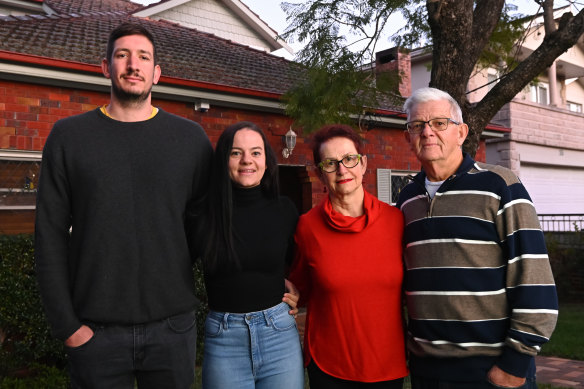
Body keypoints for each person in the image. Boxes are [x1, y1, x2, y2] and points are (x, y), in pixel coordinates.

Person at [34, 22, 213, 388]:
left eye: (143, 57)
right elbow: (49, 234)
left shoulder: (190, 139)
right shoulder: (69, 137)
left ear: (156, 73)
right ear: (105, 67)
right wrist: (68, 326)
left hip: (173, 330)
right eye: (123, 55)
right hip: (95, 335)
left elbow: (209, 227)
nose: (133, 64)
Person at [397, 87, 559, 388]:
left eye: (439, 123)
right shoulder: (406, 200)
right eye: (417, 125)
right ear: (408, 136)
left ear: (461, 132)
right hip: (427, 369)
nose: (427, 132)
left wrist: (516, 361)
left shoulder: (500, 185)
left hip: (491, 368)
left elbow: (534, 278)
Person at [288, 124, 408, 388]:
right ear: (321, 173)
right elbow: (299, 290)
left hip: (387, 365)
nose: (342, 170)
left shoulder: (396, 221)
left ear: (363, 164)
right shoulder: (307, 227)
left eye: (349, 159)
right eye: (330, 163)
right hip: (329, 366)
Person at [198, 121, 304, 389]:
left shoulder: (285, 210)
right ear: (224, 160)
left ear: (267, 161)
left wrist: (300, 289)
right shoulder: (203, 214)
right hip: (224, 337)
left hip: (279, 333)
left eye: (256, 152)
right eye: (236, 153)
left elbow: (303, 263)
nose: (247, 160)